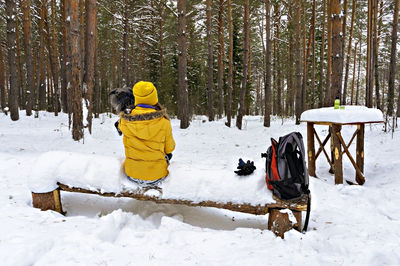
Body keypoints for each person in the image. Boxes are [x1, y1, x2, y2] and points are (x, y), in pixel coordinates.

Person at [118, 81, 175, 186]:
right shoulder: (164, 122)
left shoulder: (125, 120)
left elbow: (119, 127)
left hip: (132, 174)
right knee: (167, 155)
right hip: (156, 176)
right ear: (154, 97)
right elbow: (169, 149)